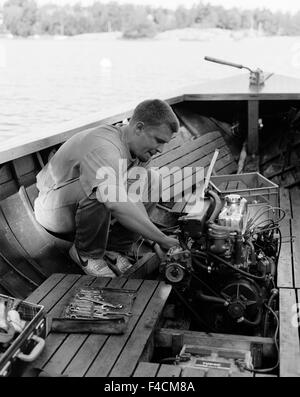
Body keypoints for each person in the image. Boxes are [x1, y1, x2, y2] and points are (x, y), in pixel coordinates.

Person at [34, 99, 179, 277]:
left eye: (165, 143)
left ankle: (114, 250)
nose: (161, 149)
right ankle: (86, 254)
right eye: (158, 140)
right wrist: (162, 239)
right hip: (51, 209)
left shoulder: (141, 151)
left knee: (152, 180)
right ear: (139, 128)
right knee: (104, 192)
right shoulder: (105, 146)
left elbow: (137, 202)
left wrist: (155, 238)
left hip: (83, 206)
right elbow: (113, 201)